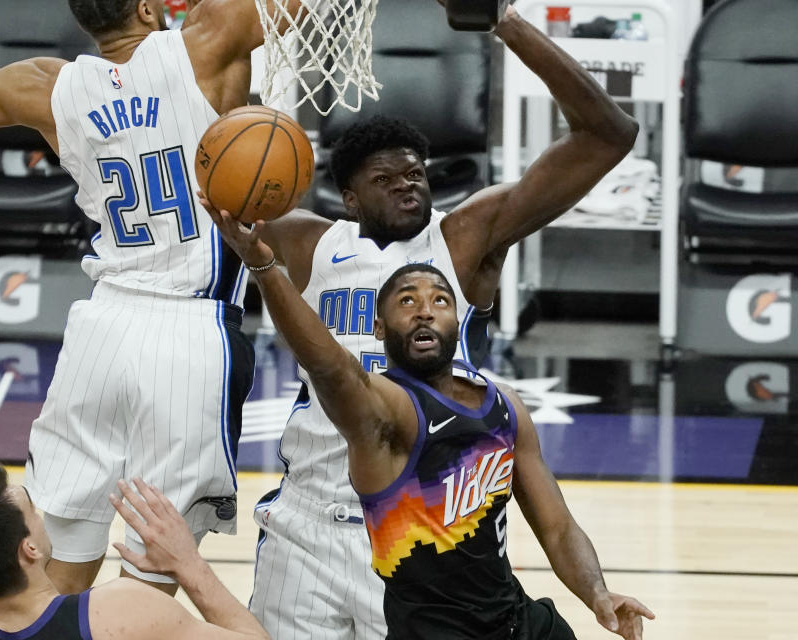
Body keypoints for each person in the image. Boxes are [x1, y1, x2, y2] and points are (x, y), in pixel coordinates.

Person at [0, 0, 305, 594]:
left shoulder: (50, 86)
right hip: (190, 338)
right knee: (146, 584)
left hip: (99, 334)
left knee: (55, 585)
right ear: (148, 7)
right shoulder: (205, 41)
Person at [232, 5, 639, 637]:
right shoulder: (306, 241)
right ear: (349, 197)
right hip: (307, 524)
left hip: (419, 532)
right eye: (385, 178)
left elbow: (608, 136)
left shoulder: (463, 241)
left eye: (416, 174)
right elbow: (216, 181)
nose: (407, 186)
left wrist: (505, 22)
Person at [210, 202, 657, 639]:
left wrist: (597, 594)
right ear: (379, 329)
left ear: (455, 317)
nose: (425, 309)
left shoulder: (504, 405)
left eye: (439, 300)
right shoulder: (382, 410)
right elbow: (329, 365)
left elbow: (557, 527)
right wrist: (266, 269)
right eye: (408, 301)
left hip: (518, 623)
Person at [0, 458, 270, 639]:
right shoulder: (120, 613)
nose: (41, 513)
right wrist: (188, 564)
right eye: (33, 510)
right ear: (29, 549)